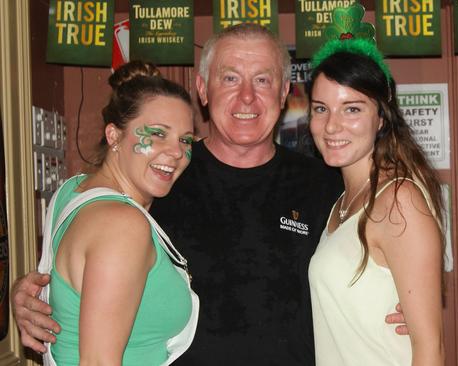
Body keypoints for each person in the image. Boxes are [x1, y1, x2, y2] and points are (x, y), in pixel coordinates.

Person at [12, 23, 408, 365]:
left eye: (263, 80)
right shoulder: (161, 176)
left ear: (285, 91)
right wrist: (34, 292)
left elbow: (384, 258)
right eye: (230, 78)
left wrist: (400, 302)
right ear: (203, 88)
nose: (247, 97)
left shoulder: (328, 184)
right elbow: (87, 244)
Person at [35, 60, 199, 365]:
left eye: (185, 139)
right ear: (114, 136)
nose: (177, 152)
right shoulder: (122, 225)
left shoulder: (73, 189)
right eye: (158, 134)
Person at [307, 38, 445, 365]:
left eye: (352, 108)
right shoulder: (341, 203)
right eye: (320, 109)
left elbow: (431, 349)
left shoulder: (399, 201)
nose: (331, 125)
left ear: (381, 118)